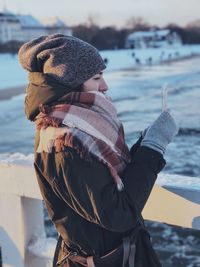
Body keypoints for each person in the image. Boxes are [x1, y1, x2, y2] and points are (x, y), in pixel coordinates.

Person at [18, 34, 178, 267]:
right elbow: (118, 214)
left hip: (118, 253)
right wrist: (154, 146)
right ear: (70, 83)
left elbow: (108, 181)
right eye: (96, 77)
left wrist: (145, 143)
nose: (105, 86)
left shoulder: (80, 126)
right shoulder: (63, 142)